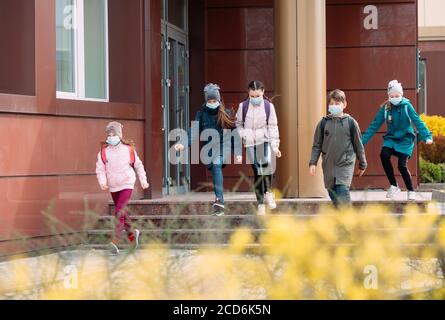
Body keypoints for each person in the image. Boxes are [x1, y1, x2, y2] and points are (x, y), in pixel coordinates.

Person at [174, 84, 241, 216]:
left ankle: (219, 200)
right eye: (209, 101)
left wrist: (237, 152)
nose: (212, 103)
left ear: (219, 100)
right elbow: (193, 131)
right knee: (215, 167)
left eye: (214, 101)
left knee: (217, 165)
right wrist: (183, 143)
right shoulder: (201, 114)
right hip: (209, 148)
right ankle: (219, 200)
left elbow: (235, 134)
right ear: (206, 101)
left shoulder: (226, 113)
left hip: (224, 145)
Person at [362, 80, 433, 200]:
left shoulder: (406, 106)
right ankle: (394, 185)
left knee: (401, 166)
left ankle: (410, 190)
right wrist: (361, 142)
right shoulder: (386, 108)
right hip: (391, 138)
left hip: (405, 139)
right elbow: (374, 125)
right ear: (388, 96)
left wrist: (427, 136)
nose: (394, 98)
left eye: (397, 96)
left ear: (402, 95)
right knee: (384, 155)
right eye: (392, 96)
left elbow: (417, 121)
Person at [96, 121, 149, 255]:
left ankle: (115, 240)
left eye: (114, 134)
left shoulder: (128, 150)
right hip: (113, 186)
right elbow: (100, 169)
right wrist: (102, 181)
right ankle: (132, 235)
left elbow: (138, 165)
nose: (112, 136)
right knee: (123, 213)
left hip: (127, 183)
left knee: (119, 211)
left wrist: (143, 180)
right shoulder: (103, 152)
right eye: (109, 134)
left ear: (120, 135)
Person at [309, 89, 367, 208]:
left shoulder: (351, 123)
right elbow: (317, 145)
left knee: (342, 193)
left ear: (344, 104)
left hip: (345, 164)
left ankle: (350, 223)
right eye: (331, 104)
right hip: (328, 165)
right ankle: (342, 224)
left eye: (337, 103)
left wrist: (362, 164)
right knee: (334, 197)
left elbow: (358, 145)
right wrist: (313, 162)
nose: (334, 106)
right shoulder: (323, 123)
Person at [236, 80, 282, 216]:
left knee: (267, 166)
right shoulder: (243, 106)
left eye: (257, 95)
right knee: (257, 171)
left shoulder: (269, 106)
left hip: (265, 140)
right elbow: (238, 124)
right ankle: (260, 203)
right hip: (250, 142)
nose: (255, 99)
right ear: (248, 94)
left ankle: (268, 192)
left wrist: (275, 146)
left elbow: (273, 126)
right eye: (252, 96)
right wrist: (244, 134)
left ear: (263, 92)